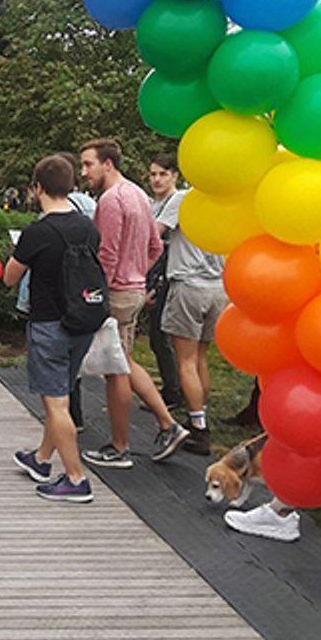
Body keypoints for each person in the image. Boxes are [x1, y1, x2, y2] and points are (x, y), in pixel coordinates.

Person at [78, 139, 189, 468]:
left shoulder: (111, 200)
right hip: (132, 289)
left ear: (108, 164)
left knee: (115, 371)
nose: (84, 172)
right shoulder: (138, 194)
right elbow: (155, 246)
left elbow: (106, 254)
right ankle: (169, 425)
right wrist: (136, 274)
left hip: (115, 292)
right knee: (123, 360)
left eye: (88, 164)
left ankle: (120, 446)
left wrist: (98, 291)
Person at [4, 155, 100, 503]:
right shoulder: (89, 227)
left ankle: (76, 478)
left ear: (37, 188)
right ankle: (42, 459)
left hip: (49, 325)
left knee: (56, 402)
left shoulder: (37, 232)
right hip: (83, 323)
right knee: (59, 392)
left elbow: (10, 276)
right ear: (71, 186)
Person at [156, 183, 227, 456]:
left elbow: (156, 231)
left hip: (188, 285)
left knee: (185, 361)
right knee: (200, 357)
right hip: (217, 287)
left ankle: (198, 428)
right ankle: (200, 415)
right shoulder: (223, 199)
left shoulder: (183, 199)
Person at [146, 155, 184, 412]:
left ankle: (174, 391)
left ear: (174, 176)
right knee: (155, 336)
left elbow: (154, 233)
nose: (157, 179)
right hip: (154, 271)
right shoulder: (151, 203)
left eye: (162, 174)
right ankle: (171, 388)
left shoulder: (178, 200)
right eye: (152, 174)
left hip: (170, 273)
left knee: (162, 335)